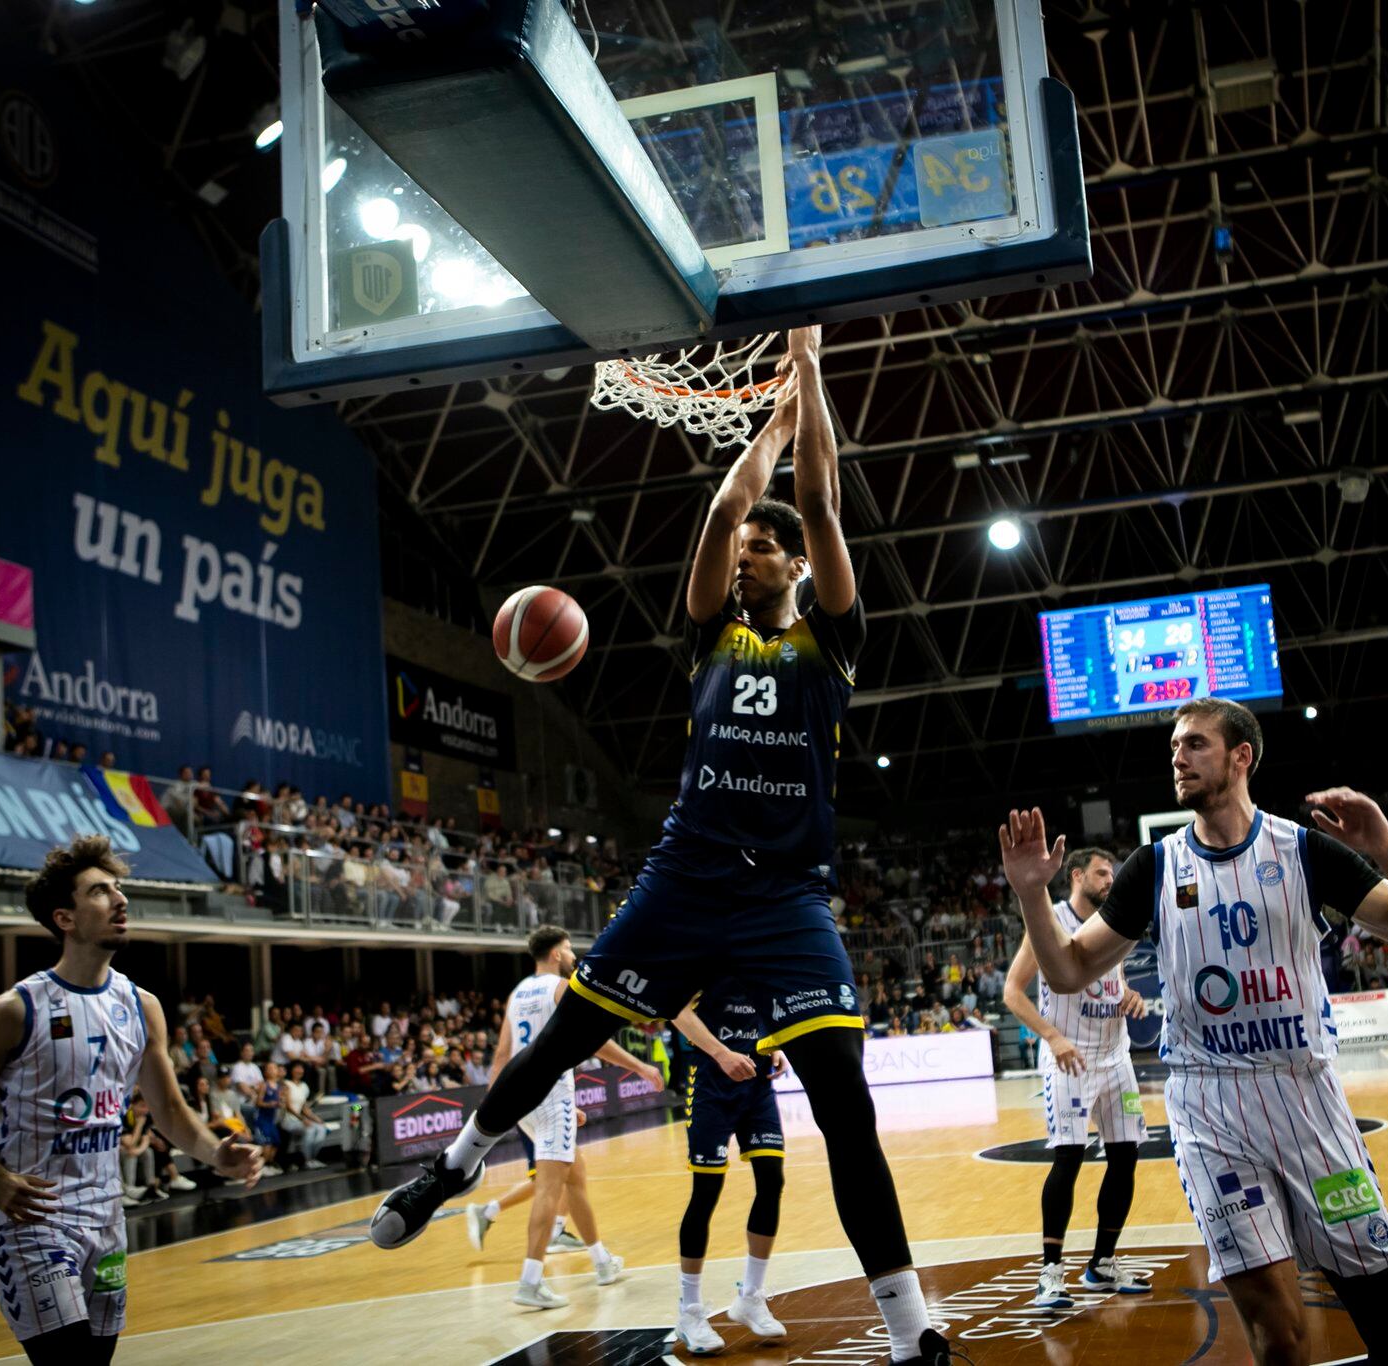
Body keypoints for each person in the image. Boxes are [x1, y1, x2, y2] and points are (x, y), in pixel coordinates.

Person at [370, 328, 959, 1364]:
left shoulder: (829, 638)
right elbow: (728, 505)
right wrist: (762, 429)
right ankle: (455, 1164)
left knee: (846, 1107)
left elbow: (817, 504)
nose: (745, 555)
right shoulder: (708, 635)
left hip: (786, 899)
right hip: (682, 880)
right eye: (741, 554)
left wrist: (809, 377)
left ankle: (911, 1330)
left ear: (792, 566)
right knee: (556, 1040)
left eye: (760, 551)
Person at [997, 697, 1388, 1366]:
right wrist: (1031, 893)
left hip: (1308, 1101)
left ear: (1241, 756)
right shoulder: (1153, 867)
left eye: (1195, 744)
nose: (1178, 757)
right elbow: (1067, 970)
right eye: (1174, 747)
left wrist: (1384, 847)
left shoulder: (1302, 851)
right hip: (1209, 1109)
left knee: (1385, 1309)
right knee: (1276, 1334)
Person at [0, 835, 264, 1364]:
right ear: (64, 918)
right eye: (100, 891)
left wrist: (216, 1153)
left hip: (106, 1220)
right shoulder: (14, 1010)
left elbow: (171, 1113)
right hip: (31, 1220)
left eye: (118, 888)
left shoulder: (141, 1005)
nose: (120, 900)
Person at [460, 925, 661, 1309]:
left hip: (523, 1099)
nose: (572, 956)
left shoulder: (517, 993)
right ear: (555, 954)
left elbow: (502, 1054)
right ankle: (530, 1281)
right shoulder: (563, 987)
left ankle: (602, 1262)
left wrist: (497, 1105)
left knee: (576, 1180)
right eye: (568, 950)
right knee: (550, 1187)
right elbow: (594, 1040)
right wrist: (639, 1067)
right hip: (551, 1096)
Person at [1002, 845, 1153, 1308]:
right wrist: (1052, 1037)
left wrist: (1130, 995)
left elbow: (1113, 979)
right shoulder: (1051, 925)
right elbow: (1012, 992)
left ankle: (1102, 1263)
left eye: (1113, 873)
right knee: (1067, 1161)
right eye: (1102, 873)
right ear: (1076, 876)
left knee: (1125, 1159)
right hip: (1070, 1059)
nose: (1111, 880)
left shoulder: (1114, 923)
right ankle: (1050, 1272)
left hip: (1116, 1057)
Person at [666, 980, 791, 1353]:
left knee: (772, 1180)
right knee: (706, 1193)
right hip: (710, 1084)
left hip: (756, 1084)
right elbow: (675, 1009)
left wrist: (776, 1044)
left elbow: (768, 1008)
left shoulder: (759, 953)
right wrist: (721, 1053)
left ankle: (751, 1297)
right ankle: (689, 1312)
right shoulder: (705, 952)